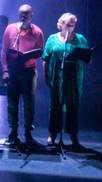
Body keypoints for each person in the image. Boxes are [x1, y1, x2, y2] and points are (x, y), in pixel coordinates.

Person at [1, 4, 45, 145]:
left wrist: (29, 56)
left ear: (32, 14)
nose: (23, 16)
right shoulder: (10, 29)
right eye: (21, 13)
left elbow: (40, 52)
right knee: (12, 102)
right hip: (13, 71)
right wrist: (5, 70)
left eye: (26, 13)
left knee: (29, 103)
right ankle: (13, 131)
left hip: (29, 71)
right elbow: (4, 51)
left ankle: (28, 132)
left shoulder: (37, 32)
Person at [43, 13, 88, 149]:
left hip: (73, 78)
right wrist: (46, 77)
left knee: (72, 106)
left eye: (73, 25)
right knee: (55, 105)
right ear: (61, 24)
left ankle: (74, 137)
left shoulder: (80, 39)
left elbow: (87, 58)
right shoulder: (52, 39)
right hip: (57, 77)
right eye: (68, 24)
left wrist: (85, 56)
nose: (70, 27)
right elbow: (45, 59)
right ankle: (52, 135)